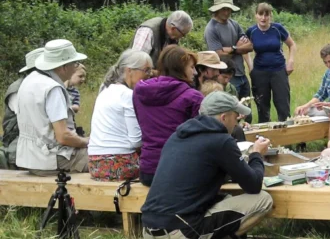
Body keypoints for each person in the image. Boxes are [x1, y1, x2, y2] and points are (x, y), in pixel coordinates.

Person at [141, 92, 274, 239]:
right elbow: (253, 185)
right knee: (263, 200)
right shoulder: (221, 141)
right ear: (224, 117)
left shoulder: (176, 136)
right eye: (236, 116)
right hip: (180, 233)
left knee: (225, 199)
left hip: (149, 228)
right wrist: (256, 155)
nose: (237, 121)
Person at [16, 40, 90, 175]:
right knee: (107, 159)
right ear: (63, 67)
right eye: (74, 63)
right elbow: (63, 137)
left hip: (28, 159)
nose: (76, 67)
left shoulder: (29, 80)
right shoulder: (53, 88)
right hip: (51, 159)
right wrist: (87, 141)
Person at [133, 45, 204, 186]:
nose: (195, 72)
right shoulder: (193, 97)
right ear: (180, 68)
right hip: (179, 170)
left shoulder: (139, 92)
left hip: (148, 170)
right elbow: (202, 137)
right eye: (191, 67)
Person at [87, 50, 152, 181]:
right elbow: (136, 141)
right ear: (129, 70)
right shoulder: (127, 95)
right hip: (119, 164)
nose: (149, 75)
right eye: (146, 70)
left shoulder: (105, 91)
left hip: (95, 164)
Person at [203, 0, 253, 114]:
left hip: (241, 74)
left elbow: (250, 46)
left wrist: (231, 49)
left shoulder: (234, 24)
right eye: (224, 9)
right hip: (225, 76)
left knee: (246, 112)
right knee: (230, 113)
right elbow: (219, 55)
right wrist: (237, 47)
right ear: (217, 9)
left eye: (229, 9)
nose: (227, 12)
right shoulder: (211, 28)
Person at [247, 3, 297, 123]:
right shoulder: (251, 31)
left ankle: (286, 131)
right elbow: (244, 49)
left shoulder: (277, 29)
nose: (263, 18)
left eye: (266, 15)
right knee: (262, 106)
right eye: (260, 14)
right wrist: (250, 66)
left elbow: (292, 45)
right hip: (259, 72)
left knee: (283, 104)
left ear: (270, 16)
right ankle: (265, 132)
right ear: (256, 15)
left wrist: (291, 61)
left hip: (279, 70)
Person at [3, 47, 45, 169]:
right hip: (19, 137)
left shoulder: (41, 85)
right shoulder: (18, 89)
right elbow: (33, 118)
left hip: (37, 137)